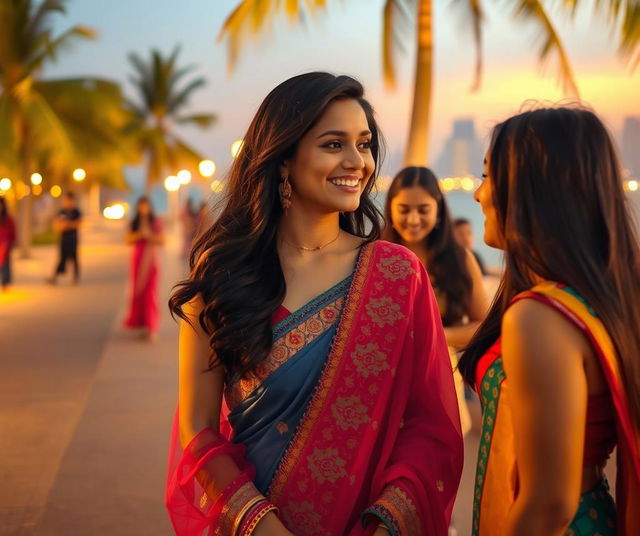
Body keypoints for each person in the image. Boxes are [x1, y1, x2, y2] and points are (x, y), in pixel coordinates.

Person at [166, 73, 463, 536]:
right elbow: (198, 430)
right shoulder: (223, 274)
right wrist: (265, 527)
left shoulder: (396, 275)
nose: (356, 162)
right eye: (333, 145)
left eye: (364, 144)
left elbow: (430, 427)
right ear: (283, 158)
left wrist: (384, 525)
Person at [458, 107, 640, 536]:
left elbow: (548, 503)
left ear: (532, 190)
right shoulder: (600, 301)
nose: (478, 195)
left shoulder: (539, 316)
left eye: (487, 176)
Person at [383, 167, 488, 439]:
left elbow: (485, 326)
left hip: (438, 378)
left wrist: (433, 335)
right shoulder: (374, 254)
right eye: (404, 209)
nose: (413, 219)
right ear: (390, 208)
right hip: (381, 383)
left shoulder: (459, 259)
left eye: (423, 209)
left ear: (439, 210)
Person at [123, 197, 164, 341]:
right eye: (141, 206)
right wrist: (139, 234)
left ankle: (152, 327)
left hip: (151, 260)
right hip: (138, 259)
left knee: (150, 292)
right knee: (138, 291)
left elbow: (162, 240)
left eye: (146, 206)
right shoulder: (134, 223)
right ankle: (143, 324)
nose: (144, 209)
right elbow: (128, 239)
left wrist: (149, 235)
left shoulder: (156, 222)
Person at [48, 191, 82, 285]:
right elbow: (56, 224)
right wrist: (64, 225)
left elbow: (78, 223)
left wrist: (68, 225)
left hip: (73, 238)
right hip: (63, 238)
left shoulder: (76, 211)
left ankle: (75, 277)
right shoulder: (62, 211)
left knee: (74, 258)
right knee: (61, 258)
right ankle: (55, 277)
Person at [0, 197, 16, 290]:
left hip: (5, 245)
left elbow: (12, 231)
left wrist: (12, 242)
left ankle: (5, 282)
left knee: (5, 264)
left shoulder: (8, 218)